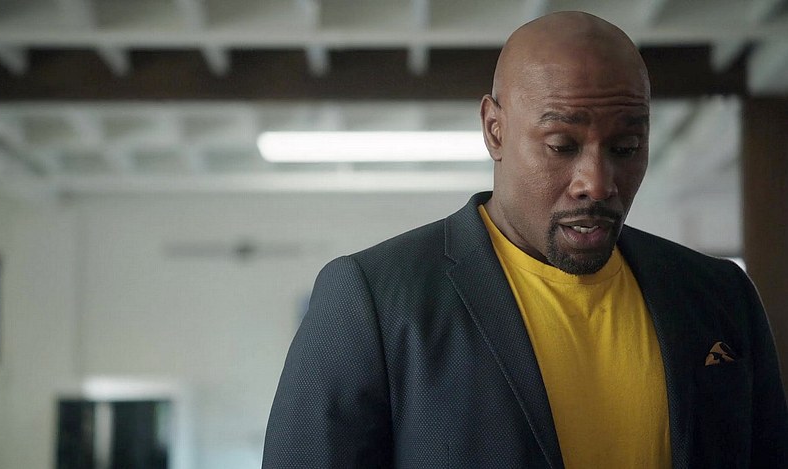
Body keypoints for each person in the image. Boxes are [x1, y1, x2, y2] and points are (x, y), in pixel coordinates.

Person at [262, 11, 788, 469]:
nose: (597, 182)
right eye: (562, 145)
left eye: (626, 147)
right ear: (494, 129)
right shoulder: (373, 302)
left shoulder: (721, 297)